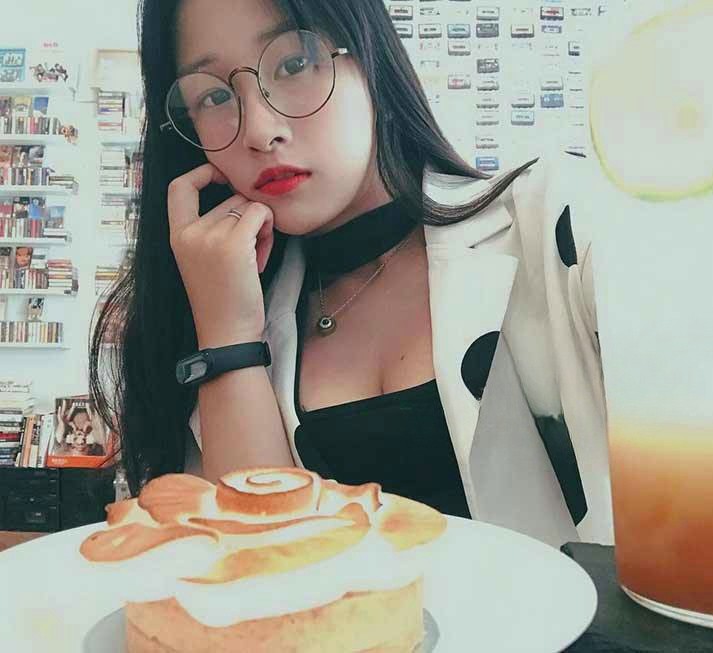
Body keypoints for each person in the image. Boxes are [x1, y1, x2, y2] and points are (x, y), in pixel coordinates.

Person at [89, 0, 612, 546]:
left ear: (369, 56)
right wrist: (227, 336)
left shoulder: (557, 219)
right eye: (215, 96)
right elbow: (261, 563)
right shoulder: (225, 311)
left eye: (294, 64)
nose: (260, 131)